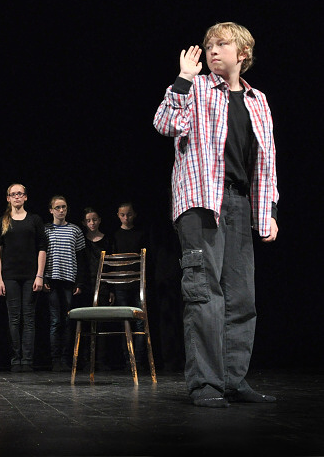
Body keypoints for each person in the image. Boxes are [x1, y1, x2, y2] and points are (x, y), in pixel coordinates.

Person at [154, 22, 278, 408]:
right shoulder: (198, 88)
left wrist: (270, 210)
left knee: (241, 297)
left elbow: (266, 161)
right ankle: (206, 383)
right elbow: (165, 124)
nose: (212, 50)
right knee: (205, 293)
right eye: (209, 44)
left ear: (243, 53)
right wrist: (183, 79)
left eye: (222, 44)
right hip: (201, 201)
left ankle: (233, 380)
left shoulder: (258, 101)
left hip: (241, 204)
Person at [0, 184, 47, 372]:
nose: (17, 197)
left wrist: (39, 275)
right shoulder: (2, 221)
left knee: (29, 318)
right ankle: (15, 359)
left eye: (20, 194)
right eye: (13, 194)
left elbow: (42, 248)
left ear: (25, 197)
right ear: (8, 198)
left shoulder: (34, 220)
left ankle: (27, 360)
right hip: (10, 276)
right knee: (14, 318)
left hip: (30, 276)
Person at [43, 196, 88, 372]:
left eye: (64, 207)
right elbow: (41, 255)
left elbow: (81, 259)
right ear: (51, 210)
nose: (61, 210)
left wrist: (79, 282)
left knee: (69, 320)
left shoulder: (75, 230)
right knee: (55, 320)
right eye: (58, 207)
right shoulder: (46, 230)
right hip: (52, 279)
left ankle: (66, 358)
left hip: (69, 280)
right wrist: (44, 278)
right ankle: (55, 359)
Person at [111, 201, 148, 366]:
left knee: (140, 321)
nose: (126, 218)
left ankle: (138, 359)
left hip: (138, 284)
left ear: (135, 215)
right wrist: (111, 288)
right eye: (123, 215)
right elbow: (112, 264)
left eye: (129, 214)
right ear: (118, 216)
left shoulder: (141, 234)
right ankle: (127, 359)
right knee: (124, 321)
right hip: (120, 285)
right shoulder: (115, 236)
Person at [82, 207, 114, 369]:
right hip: (86, 284)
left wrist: (111, 289)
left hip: (103, 285)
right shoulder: (82, 241)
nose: (92, 223)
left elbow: (111, 265)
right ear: (84, 223)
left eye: (94, 220)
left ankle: (101, 359)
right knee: (86, 322)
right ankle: (86, 359)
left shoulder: (107, 240)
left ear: (99, 220)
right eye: (88, 220)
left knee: (102, 323)